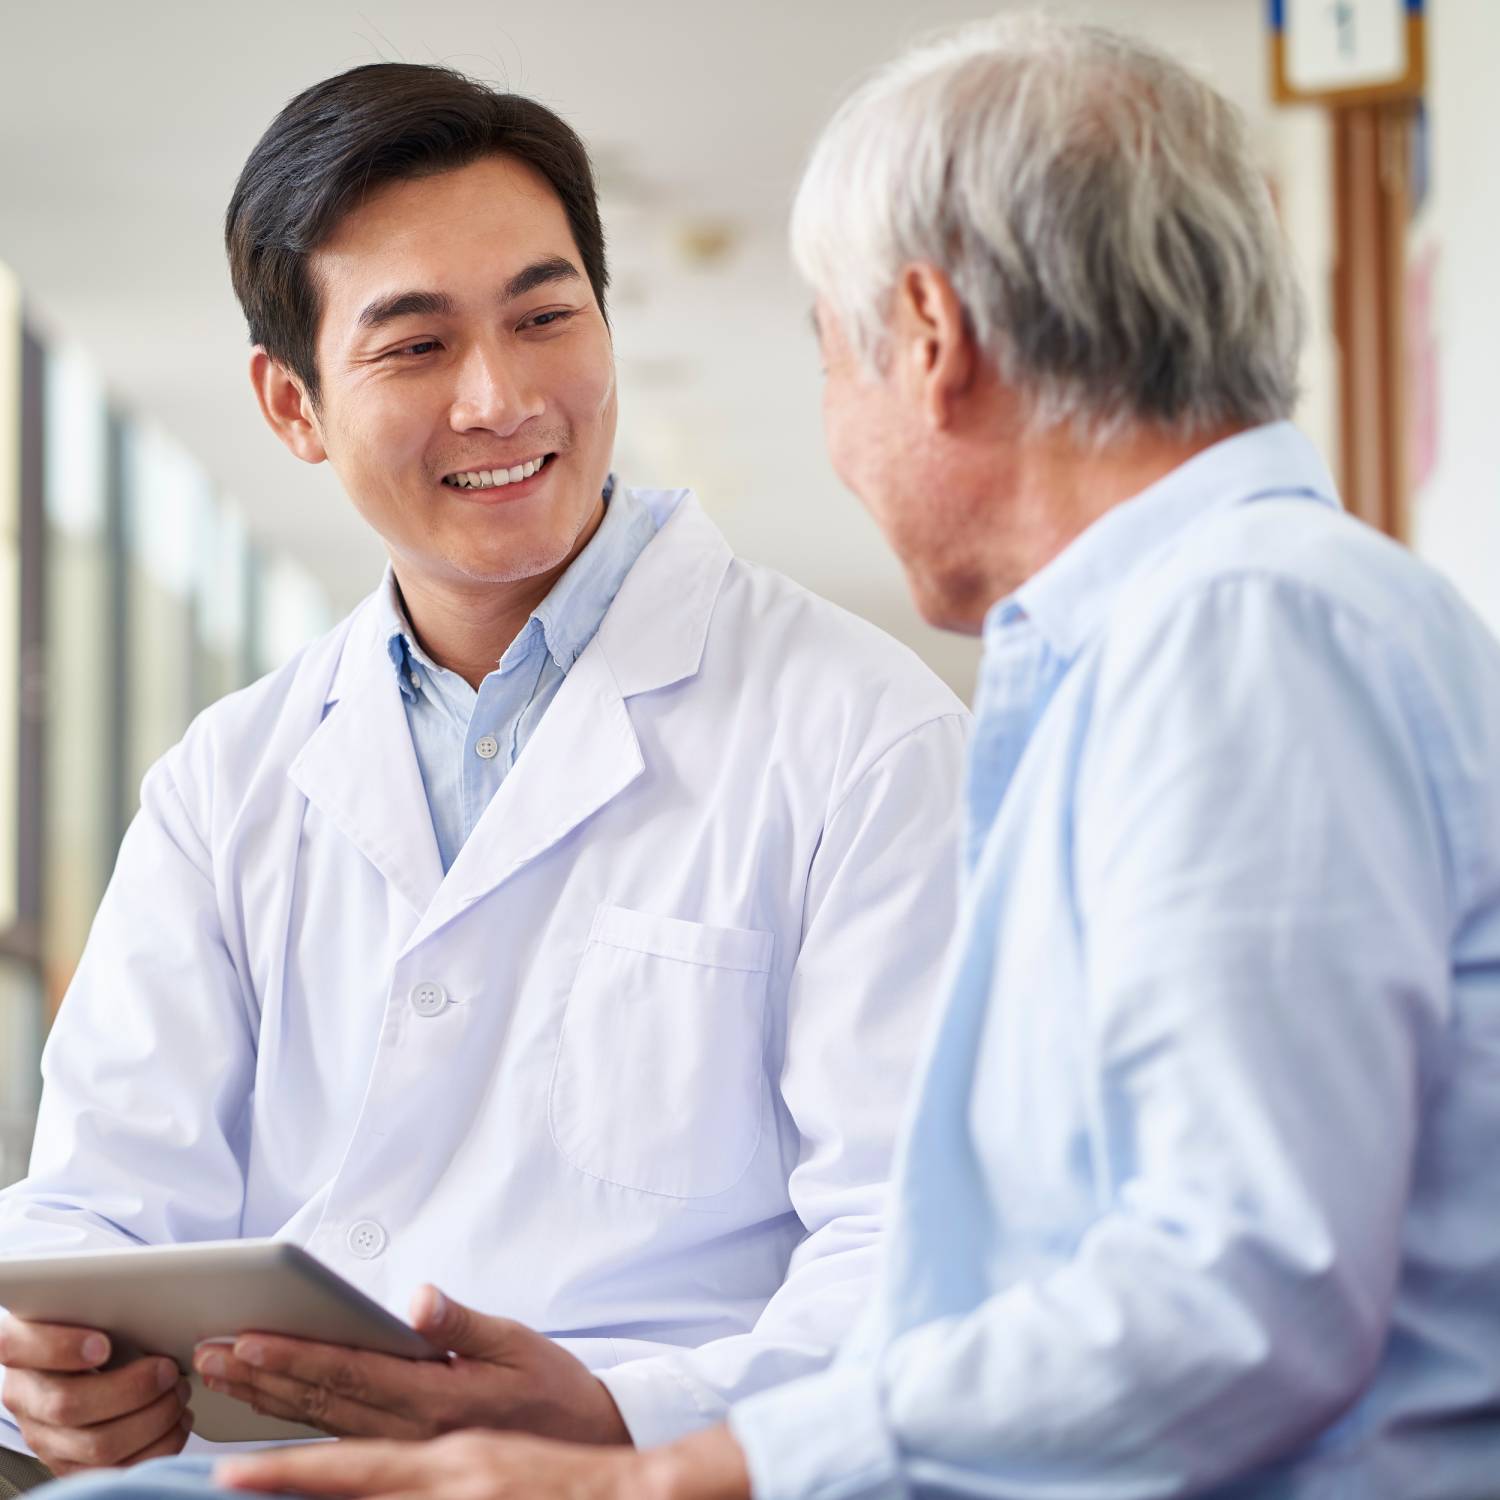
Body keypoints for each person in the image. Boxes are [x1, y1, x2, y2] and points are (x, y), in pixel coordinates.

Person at [178, 12, 1500, 1500]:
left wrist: (667, 1471)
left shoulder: (1247, 636)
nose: (835, 429)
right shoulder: (1207, 640)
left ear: (927, 340)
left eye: (828, 350)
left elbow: (1241, 1304)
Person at [0, 62, 970, 1489]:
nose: (503, 398)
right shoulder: (228, 779)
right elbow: (98, 1201)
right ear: (293, 405)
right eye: (413, 346)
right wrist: (54, 1380)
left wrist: (622, 1416)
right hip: (257, 1473)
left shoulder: (862, 731)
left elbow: (916, 1243)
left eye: (544, 315)